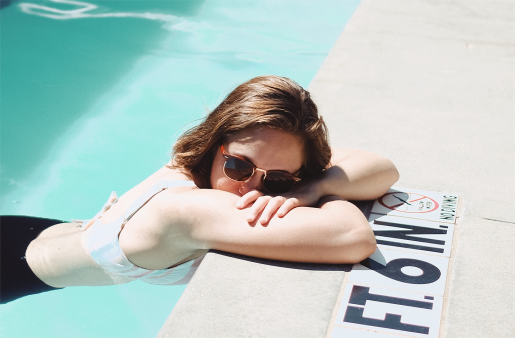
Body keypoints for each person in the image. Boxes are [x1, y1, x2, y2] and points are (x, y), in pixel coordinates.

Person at [1, 75, 399, 304]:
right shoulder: (188, 209)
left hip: (37, 232)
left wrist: (309, 188)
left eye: (277, 178)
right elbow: (352, 237)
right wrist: (316, 192)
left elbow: (383, 169)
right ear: (215, 145)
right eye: (238, 166)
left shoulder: (207, 169)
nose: (253, 188)